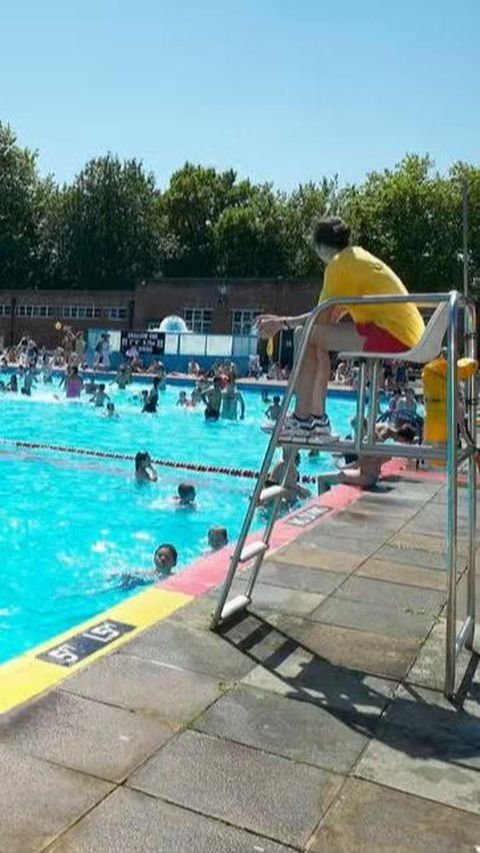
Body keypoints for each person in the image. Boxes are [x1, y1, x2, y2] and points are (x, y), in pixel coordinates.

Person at [256, 217, 425, 440]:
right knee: (314, 336)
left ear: (319, 247)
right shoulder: (357, 257)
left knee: (307, 335)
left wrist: (280, 323)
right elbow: (324, 319)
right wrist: (283, 322)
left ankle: (302, 419)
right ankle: (317, 419)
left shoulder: (338, 266)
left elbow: (317, 319)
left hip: (394, 334)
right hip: (409, 334)